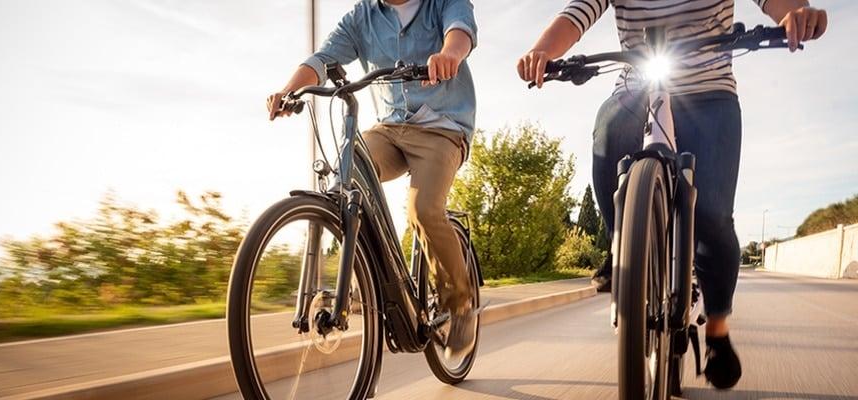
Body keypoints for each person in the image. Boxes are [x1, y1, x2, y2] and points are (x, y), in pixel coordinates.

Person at [518, 0, 827, 390]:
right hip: (637, 85)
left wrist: (795, 13)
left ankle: (716, 327)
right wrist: (544, 50)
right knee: (607, 137)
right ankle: (625, 250)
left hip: (709, 92)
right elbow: (575, 16)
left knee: (713, 215)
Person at [267, 0, 478, 360]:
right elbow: (322, 59)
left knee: (423, 209)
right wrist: (290, 90)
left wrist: (448, 55)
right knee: (345, 178)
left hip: (443, 128)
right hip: (390, 128)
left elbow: (460, 33)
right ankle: (364, 277)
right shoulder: (361, 16)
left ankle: (460, 306)